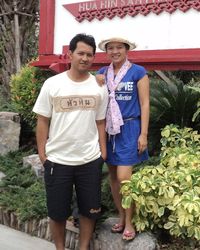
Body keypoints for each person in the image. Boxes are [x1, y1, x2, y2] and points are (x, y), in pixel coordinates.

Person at [33, 33, 108, 250]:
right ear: (70, 54)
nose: (85, 58)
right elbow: (42, 120)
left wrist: (102, 152)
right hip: (58, 160)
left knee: (90, 210)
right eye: (81, 53)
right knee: (57, 212)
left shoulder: (98, 86)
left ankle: (83, 247)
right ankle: (60, 248)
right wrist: (42, 153)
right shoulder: (52, 84)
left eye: (90, 55)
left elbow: (101, 121)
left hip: (89, 159)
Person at [97, 37, 150, 241]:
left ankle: (130, 221)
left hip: (130, 128)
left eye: (119, 47)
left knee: (124, 179)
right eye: (111, 48)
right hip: (109, 131)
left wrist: (143, 134)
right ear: (107, 52)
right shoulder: (102, 73)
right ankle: (120, 215)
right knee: (112, 177)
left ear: (126, 50)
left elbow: (145, 104)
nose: (115, 51)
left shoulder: (138, 72)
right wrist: (96, 81)